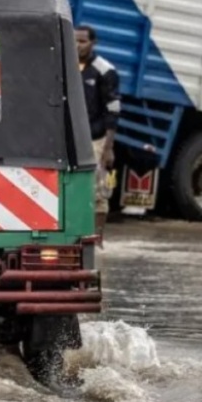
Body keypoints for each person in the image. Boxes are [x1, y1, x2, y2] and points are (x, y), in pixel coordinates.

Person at [76, 25, 120, 246]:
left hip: (96, 139)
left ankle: (98, 239)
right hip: (71, 141)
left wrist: (108, 148)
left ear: (93, 43)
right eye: (74, 40)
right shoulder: (67, 65)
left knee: (99, 190)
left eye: (82, 41)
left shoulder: (105, 71)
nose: (77, 45)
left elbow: (113, 111)